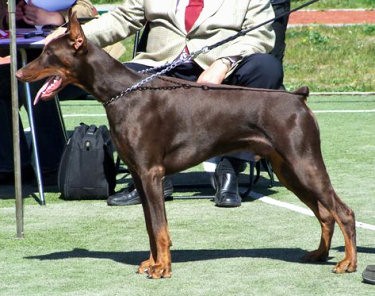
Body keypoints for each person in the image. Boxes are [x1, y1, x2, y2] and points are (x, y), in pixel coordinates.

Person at [53, 0, 284, 206]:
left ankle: (231, 167)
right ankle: (150, 174)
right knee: (125, 79)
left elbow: (259, 34)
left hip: (222, 68)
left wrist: (223, 62)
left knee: (266, 68)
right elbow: (121, 19)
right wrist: (64, 39)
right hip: (162, 67)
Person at [0, 0, 99, 185]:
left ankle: (53, 166)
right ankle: (10, 166)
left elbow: (91, 12)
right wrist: (8, 19)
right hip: (31, 64)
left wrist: (56, 18)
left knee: (34, 85)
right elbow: (5, 44)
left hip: (76, 71)